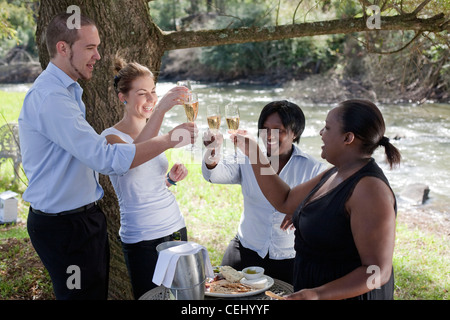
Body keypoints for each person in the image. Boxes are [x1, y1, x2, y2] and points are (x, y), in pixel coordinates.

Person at [18, 12, 196, 300]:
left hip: (83, 222)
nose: (98, 56)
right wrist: (168, 139)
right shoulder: (51, 98)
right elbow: (106, 158)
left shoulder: (68, 93)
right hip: (65, 229)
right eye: (90, 48)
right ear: (63, 48)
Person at [232, 99, 400, 300]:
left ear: (348, 137)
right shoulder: (334, 173)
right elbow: (284, 200)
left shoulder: (370, 189)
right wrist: (254, 154)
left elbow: (378, 272)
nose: (321, 132)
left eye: (328, 127)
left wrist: (317, 295)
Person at [202, 100, 326, 283]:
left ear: (296, 133)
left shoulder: (313, 168)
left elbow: (325, 211)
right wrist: (214, 149)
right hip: (247, 248)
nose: (269, 136)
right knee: (222, 292)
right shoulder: (247, 157)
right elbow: (214, 174)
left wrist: (301, 211)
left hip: (290, 257)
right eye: (265, 129)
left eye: (279, 130)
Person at [101, 56, 190, 299]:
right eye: (142, 93)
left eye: (153, 92)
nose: (151, 99)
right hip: (141, 238)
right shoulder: (109, 137)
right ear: (123, 97)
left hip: (174, 226)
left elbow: (141, 183)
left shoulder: (155, 133)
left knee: (183, 298)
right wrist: (161, 109)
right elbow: (130, 160)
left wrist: (169, 180)